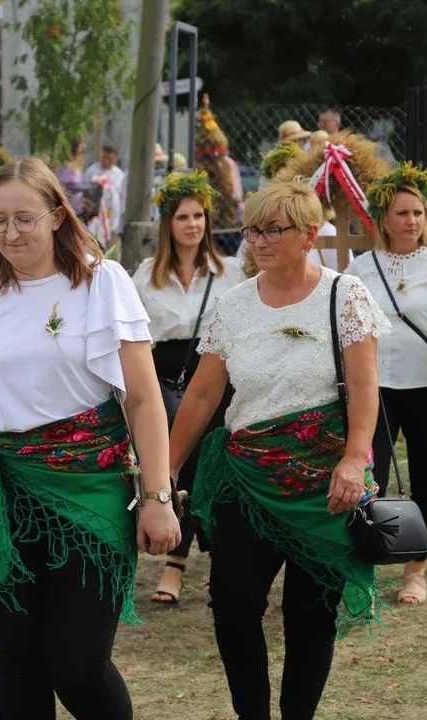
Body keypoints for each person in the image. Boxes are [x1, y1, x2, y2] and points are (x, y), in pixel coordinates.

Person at [0, 156, 181, 719]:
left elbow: (143, 400)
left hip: (90, 492)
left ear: (55, 216)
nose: (10, 233)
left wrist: (158, 498)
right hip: (8, 499)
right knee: (17, 661)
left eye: (23, 218)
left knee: (76, 663)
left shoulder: (103, 284)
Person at [169, 181, 391, 720]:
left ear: (310, 234)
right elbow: (202, 393)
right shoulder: (234, 304)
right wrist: (166, 465)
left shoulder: (345, 295)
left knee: (310, 612)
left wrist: (354, 460)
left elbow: (365, 388)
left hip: (325, 480)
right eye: (252, 230)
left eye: (274, 230)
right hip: (247, 478)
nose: (259, 241)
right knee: (234, 604)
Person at [343, 163, 427, 605]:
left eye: (418, 212)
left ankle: (416, 569)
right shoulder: (361, 267)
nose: (413, 221)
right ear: (383, 220)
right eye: (403, 213)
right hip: (375, 387)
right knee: (368, 476)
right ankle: (366, 565)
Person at [130, 171, 245, 604]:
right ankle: (194, 563)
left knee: (203, 470)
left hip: (215, 384)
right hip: (164, 385)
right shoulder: (145, 276)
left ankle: (177, 567)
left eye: (199, 216)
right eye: (183, 217)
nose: (193, 224)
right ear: (168, 224)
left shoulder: (228, 273)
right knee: (180, 468)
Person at [85, 143, 127, 234]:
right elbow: (85, 193)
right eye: (104, 157)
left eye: (110, 159)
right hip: (95, 220)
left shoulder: (120, 175)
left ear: (116, 158)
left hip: (114, 222)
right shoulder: (91, 171)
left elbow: (123, 196)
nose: (106, 161)